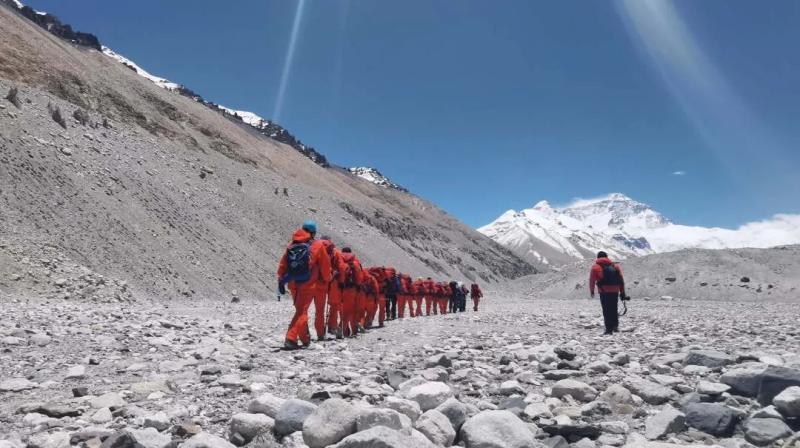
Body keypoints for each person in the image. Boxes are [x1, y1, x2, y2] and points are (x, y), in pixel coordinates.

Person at [277, 222, 332, 350]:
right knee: (302, 313)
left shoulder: (291, 245)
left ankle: (305, 339)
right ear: (313, 233)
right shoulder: (318, 245)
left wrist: (281, 280)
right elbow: (325, 266)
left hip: (292, 283)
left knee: (300, 310)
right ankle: (290, 338)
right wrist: (327, 279)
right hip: (308, 284)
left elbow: (282, 265)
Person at [589, 251, 626, 335]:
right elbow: (621, 280)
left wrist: (592, 290)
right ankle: (615, 326)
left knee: (606, 310)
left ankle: (608, 329)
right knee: (614, 308)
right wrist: (622, 292)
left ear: (598, 258)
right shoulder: (615, 266)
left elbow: (592, 280)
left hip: (603, 291)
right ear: (607, 257)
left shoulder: (595, 267)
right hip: (615, 290)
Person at [339, 247, 364, 338]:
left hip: (338, 289)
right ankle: (349, 330)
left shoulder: (338, 260)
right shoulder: (355, 262)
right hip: (351, 289)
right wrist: (358, 286)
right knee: (351, 310)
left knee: (341, 309)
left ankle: (343, 330)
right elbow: (359, 275)